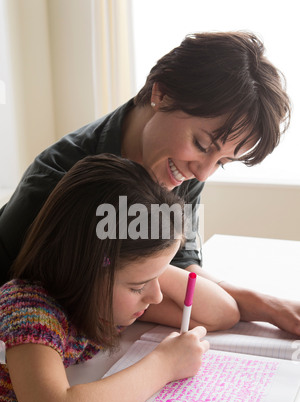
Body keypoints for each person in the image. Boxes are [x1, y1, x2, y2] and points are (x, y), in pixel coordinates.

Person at [0, 31, 299, 336]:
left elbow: (181, 264)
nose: (204, 173)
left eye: (222, 162)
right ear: (161, 94)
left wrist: (268, 306)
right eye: (201, 143)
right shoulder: (58, 183)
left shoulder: (179, 168)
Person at [0, 154, 222, 402]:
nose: (156, 296)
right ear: (87, 269)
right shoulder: (29, 310)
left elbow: (220, 314)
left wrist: (151, 266)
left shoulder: (104, 297)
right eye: (139, 285)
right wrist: (164, 365)